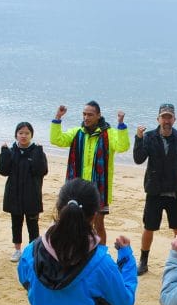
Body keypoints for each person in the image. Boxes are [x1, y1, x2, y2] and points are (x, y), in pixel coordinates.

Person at [50, 101, 130, 245]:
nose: (86, 117)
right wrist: (57, 118)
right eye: (84, 114)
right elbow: (57, 140)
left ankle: (100, 254)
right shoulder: (77, 132)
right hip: (77, 189)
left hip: (99, 189)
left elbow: (123, 146)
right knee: (73, 224)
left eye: (90, 115)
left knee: (99, 225)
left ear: (99, 116)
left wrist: (121, 125)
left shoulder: (109, 134)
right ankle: (75, 251)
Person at [132, 103, 177, 275]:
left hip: (175, 192)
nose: (167, 120)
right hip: (154, 191)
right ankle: (143, 261)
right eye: (164, 117)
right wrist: (138, 138)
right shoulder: (149, 137)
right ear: (158, 119)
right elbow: (138, 159)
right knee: (149, 227)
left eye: (170, 117)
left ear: (174, 119)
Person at [0, 122, 48, 262]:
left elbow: (42, 171)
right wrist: (4, 153)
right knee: (16, 223)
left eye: (27, 133)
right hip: (14, 194)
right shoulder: (11, 151)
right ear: (16, 135)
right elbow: (3, 170)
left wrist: (38, 151)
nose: (23, 136)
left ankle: (33, 250)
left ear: (31, 135)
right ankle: (17, 250)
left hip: (32, 194)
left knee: (33, 224)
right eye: (21, 133)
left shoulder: (37, 151)